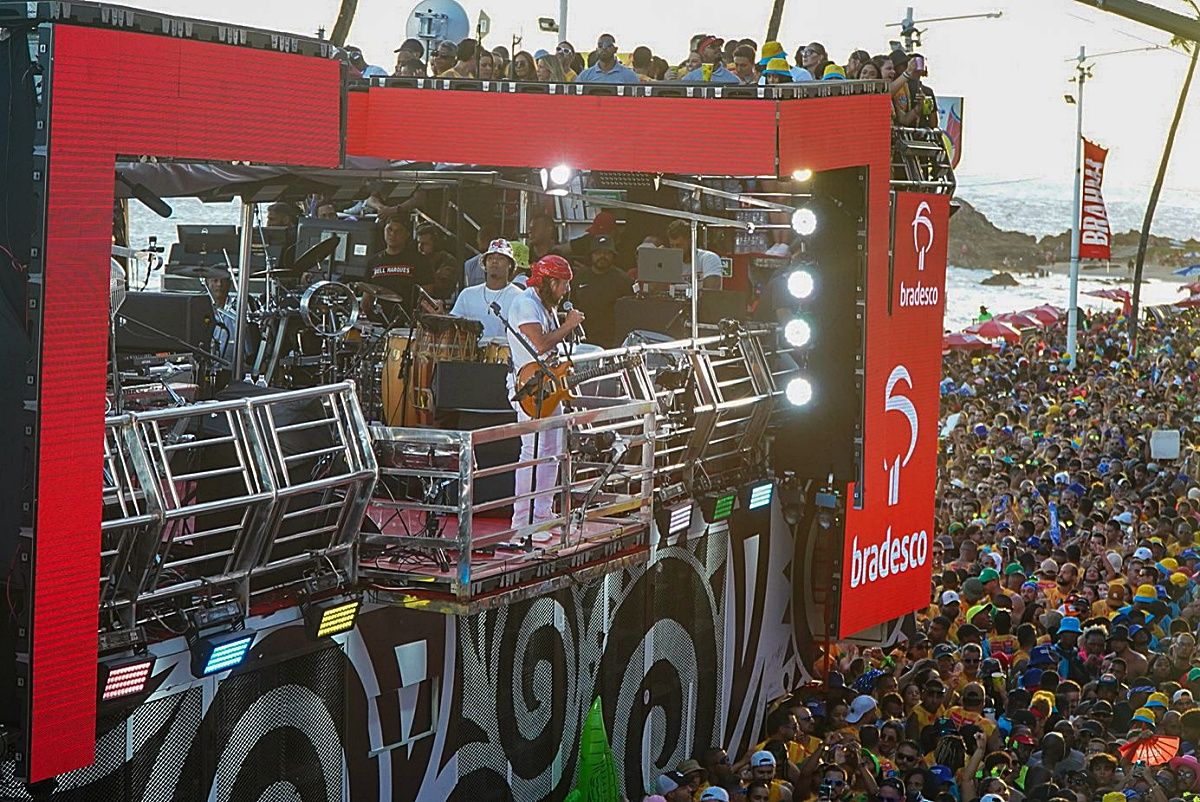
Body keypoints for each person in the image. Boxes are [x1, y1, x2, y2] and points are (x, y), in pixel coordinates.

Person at [506, 255, 585, 533]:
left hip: (549, 383)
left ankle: (541, 514)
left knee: (552, 449)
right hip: (530, 388)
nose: (566, 291)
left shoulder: (545, 304)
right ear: (549, 281)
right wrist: (568, 325)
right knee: (533, 450)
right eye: (563, 284)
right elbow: (539, 344)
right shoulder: (526, 304)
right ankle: (522, 522)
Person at [449, 239, 521, 338]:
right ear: (485, 265)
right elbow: (452, 325)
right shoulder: (467, 295)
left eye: (500, 258)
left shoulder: (519, 297)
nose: (494, 261)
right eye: (490, 258)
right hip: (471, 351)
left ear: (510, 265)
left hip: (505, 351)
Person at [570, 235, 632, 348]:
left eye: (607, 253)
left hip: (611, 341)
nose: (602, 256)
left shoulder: (623, 280)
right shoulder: (580, 277)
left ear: (613, 256)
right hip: (583, 340)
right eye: (598, 253)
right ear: (591, 255)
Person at [365, 216, 429, 318]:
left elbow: (427, 296)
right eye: (389, 229)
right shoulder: (373, 261)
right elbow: (367, 299)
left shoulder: (420, 261)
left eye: (398, 231)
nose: (392, 234)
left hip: (407, 323)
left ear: (407, 234)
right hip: (378, 322)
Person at [666, 219, 723, 290]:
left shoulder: (709, 258)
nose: (675, 249)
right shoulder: (669, 263)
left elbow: (711, 293)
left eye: (679, 245)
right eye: (672, 246)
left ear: (691, 241)